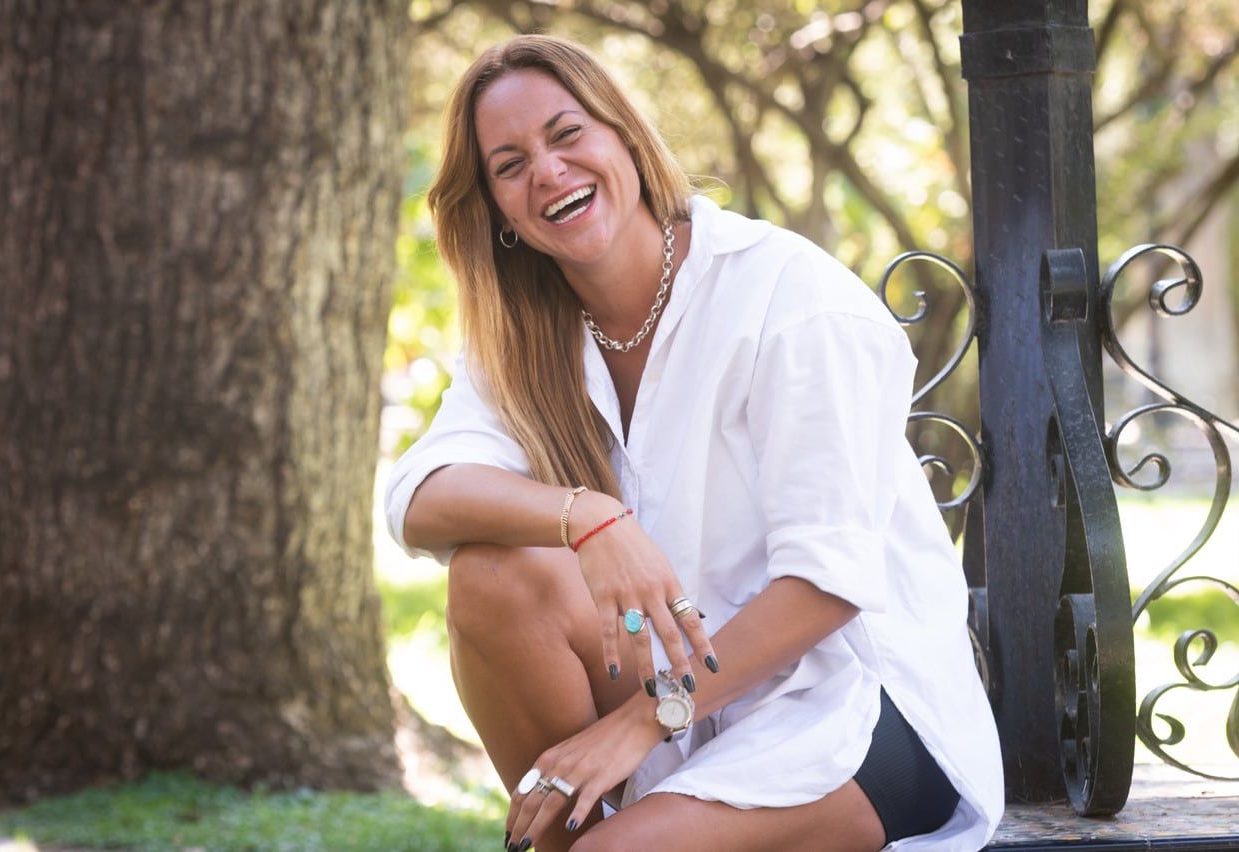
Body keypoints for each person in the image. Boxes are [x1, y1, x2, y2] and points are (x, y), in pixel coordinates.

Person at [385, 34, 1003, 852]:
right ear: (498, 211)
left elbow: (828, 583)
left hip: (851, 708)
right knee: (492, 577)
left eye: (567, 135)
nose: (547, 171)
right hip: (688, 698)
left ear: (625, 135)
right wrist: (590, 516)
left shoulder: (790, 300)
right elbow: (418, 497)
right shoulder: (532, 335)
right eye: (509, 164)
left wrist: (642, 722)